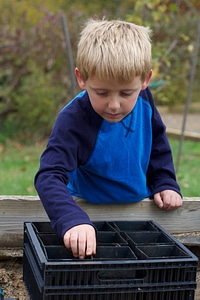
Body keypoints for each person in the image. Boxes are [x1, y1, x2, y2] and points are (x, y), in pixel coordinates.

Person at [35, 18, 182, 260]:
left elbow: (156, 142)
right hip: (87, 213)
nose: (114, 105)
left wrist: (164, 181)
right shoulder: (74, 120)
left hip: (140, 210)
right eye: (101, 93)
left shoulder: (145, 100)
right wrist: (71, 219)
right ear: (81, 78)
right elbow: (49, 175)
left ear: (145, 80)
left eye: (126, 93)